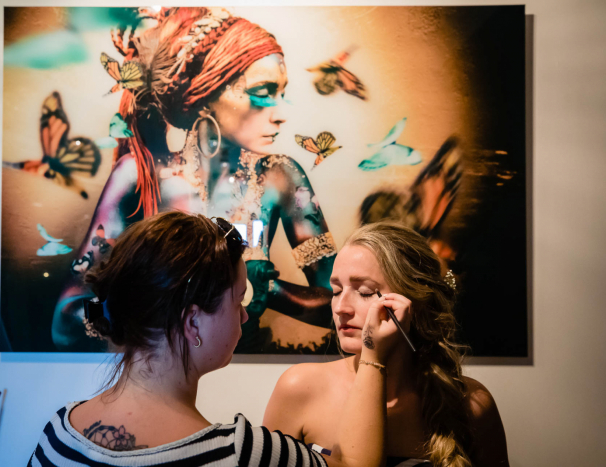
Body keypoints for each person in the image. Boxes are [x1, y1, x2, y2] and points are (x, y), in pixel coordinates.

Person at [52, 7, 336, 353]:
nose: (280, 114)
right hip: (160, 379)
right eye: (263, 91)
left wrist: (270, 290)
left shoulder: (281, 177)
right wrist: (160, 299)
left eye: (280, 93)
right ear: (208, 92)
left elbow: (338, 306)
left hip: (250, 378)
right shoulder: (140, 175)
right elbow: (65, 319)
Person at [29, 211, 405, 466]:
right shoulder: (239, 453)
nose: (244, 313)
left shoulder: (58, 433)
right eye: (238, 299)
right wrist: (373, 357)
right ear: (193, 322)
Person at [263, 222, 510, 467]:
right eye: (336, 290)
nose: (340, 308)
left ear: (416, 301)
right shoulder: (300, 388)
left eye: (366, 292)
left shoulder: (472, 404)